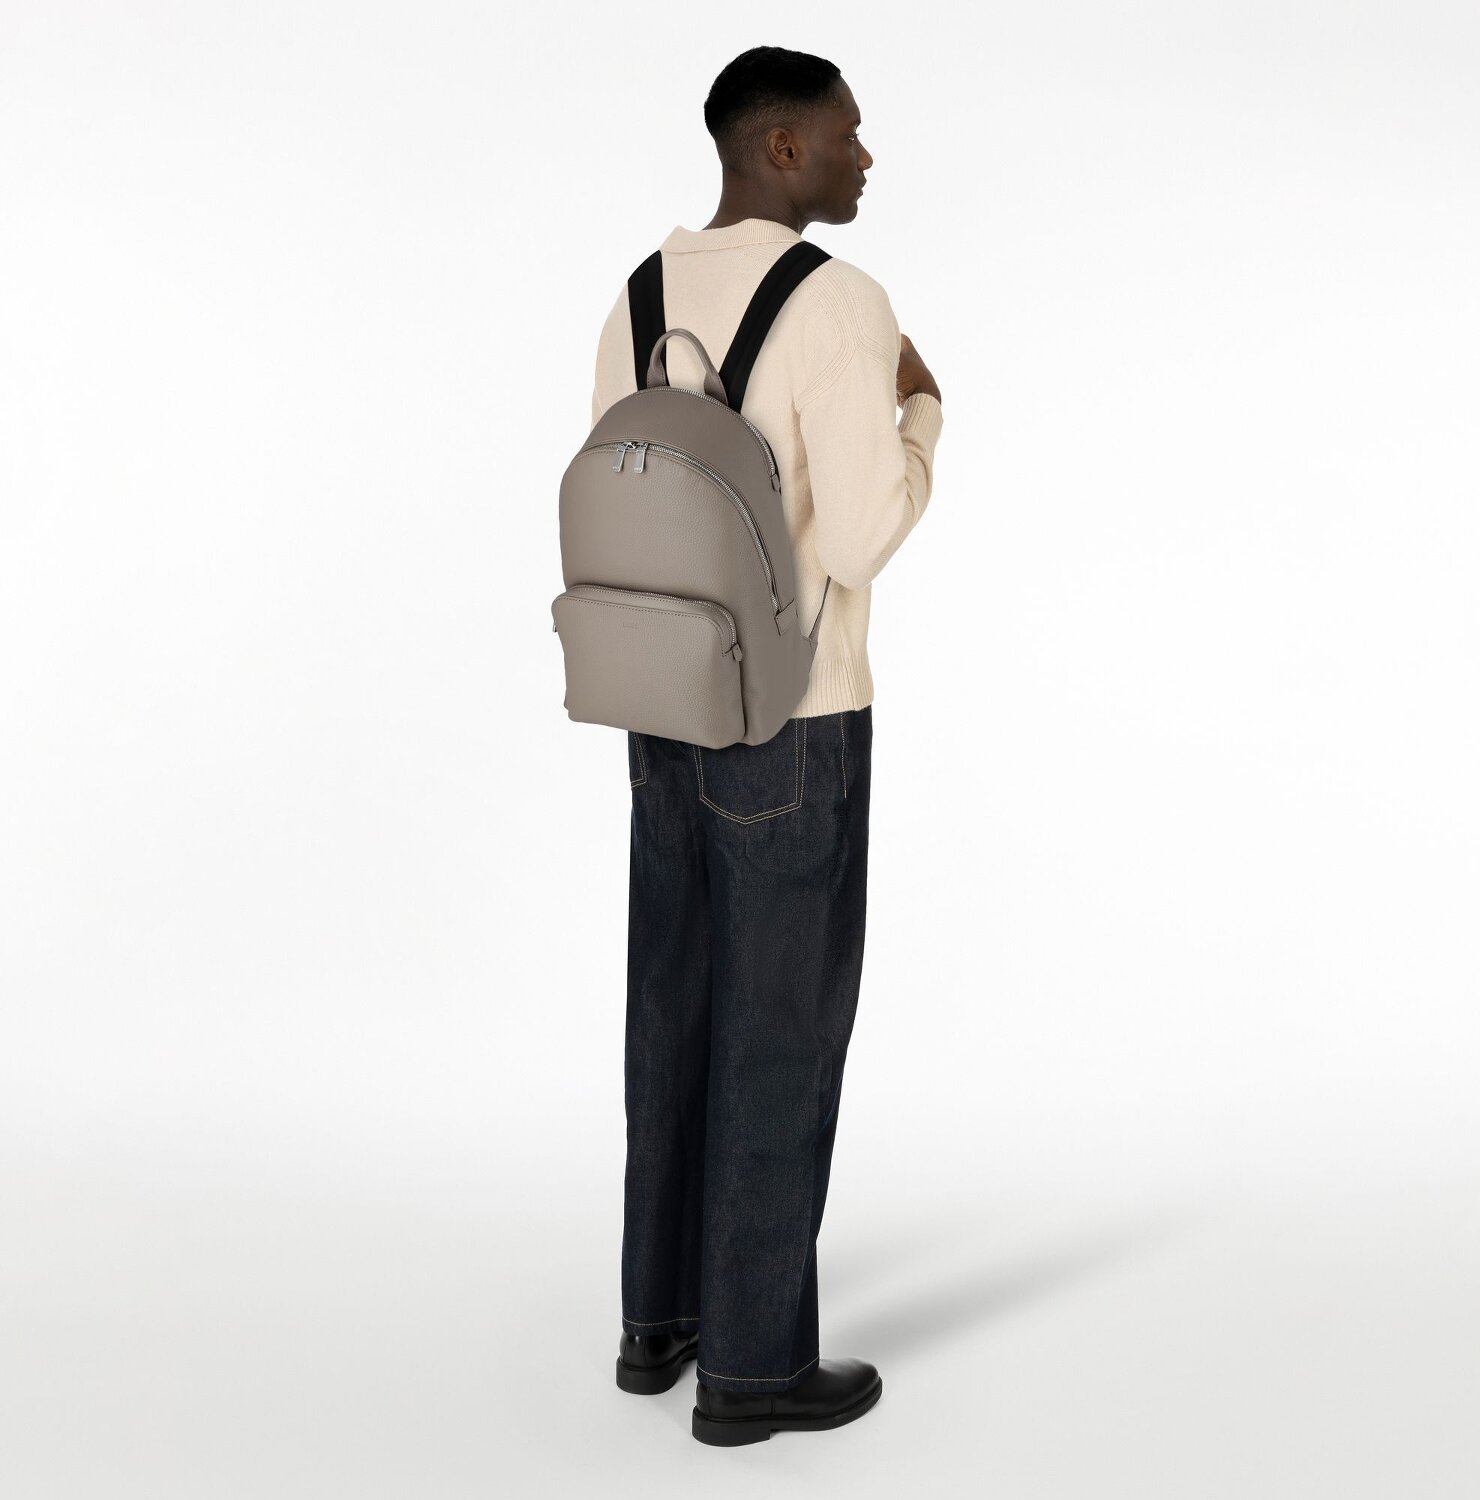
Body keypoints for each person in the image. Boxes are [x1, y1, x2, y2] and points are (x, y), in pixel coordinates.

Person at [589, 46, 944, 1445]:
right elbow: (857, 536)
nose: (867, 157)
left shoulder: (638, 294)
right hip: (795, 717)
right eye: (850, 135)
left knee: (673, 1009)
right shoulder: (839, 301)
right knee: (780, 1032)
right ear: (783, 147)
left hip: (660, 702)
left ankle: (659, 1320)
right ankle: (752, 1368)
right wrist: (923, 412)